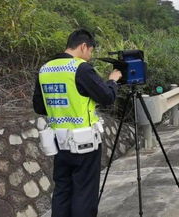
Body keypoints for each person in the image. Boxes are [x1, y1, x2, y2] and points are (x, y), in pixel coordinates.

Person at [32, 29, 122, 217]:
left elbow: (39, 107)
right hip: (85, 143)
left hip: (59, 143)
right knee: (84, 193)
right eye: (90, 51)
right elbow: (106, 97)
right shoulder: (80, 68)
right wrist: (113, 81)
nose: (89, 57)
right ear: (83, 46)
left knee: (63, 190)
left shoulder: (45, 69)